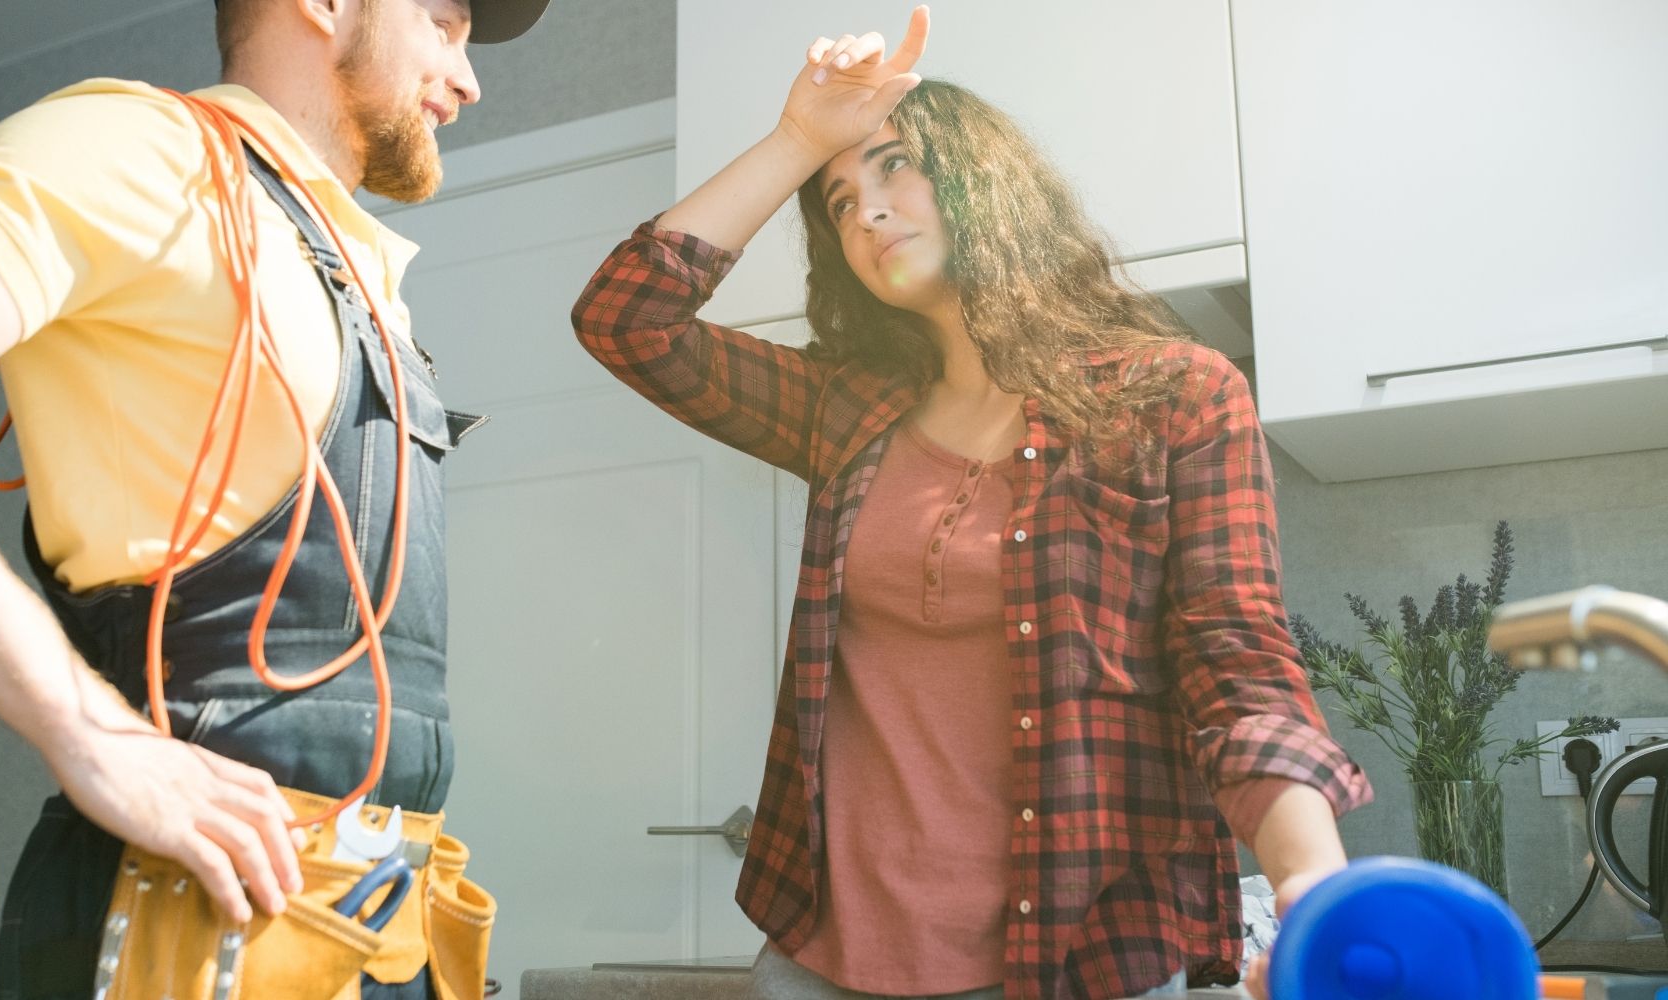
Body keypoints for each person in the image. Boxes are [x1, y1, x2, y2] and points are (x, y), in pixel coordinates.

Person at [0, 0, 548, 995]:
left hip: (373, 927)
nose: (468, 78)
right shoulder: (151, 151)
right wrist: (90, 730)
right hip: (187, 931)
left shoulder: (364, 277)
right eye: (442, 21)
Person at [570, 8, 1370, 999]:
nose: (865, 209)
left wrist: (1309, 876)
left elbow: (1235, 653)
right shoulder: (843, 407)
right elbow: (625, 318)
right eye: (839, 198)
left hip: (1082, 959)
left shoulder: (1177, 396)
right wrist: (799, 139)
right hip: (821, 960)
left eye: (895, 165)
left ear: (984, 182)